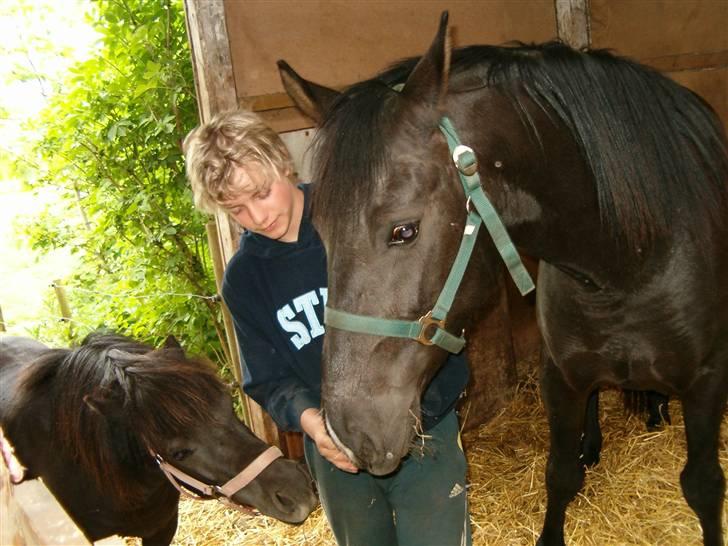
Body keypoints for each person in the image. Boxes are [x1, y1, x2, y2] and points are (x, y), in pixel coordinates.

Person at [184, 109, 472, 546]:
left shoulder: (361, 214)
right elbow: (268, 379)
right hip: (336, 446)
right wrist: (314, 425)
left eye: (261, 194)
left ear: (283, 161)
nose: (257, 217)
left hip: (421, 424)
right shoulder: (245, 279)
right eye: (236, 209)